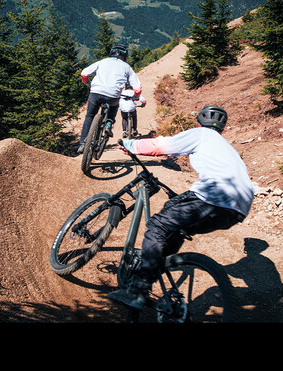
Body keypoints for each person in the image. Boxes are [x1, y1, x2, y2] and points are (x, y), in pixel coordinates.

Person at [108, 105, 255, 310]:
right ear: (223, 129)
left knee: (159, 226)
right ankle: (155, 267)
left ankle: (138, 289)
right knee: (175, 227)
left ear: (198, 123)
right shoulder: (228, 148)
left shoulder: (202, 134)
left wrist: (131, 144)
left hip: (215, 194)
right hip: (239, 207)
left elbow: (164, 145)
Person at [77, 44, 142, 154]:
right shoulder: (127, 67)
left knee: (90, 116)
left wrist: (88, 83)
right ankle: (109, 123)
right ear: (124, 56)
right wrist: (135, 98)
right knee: (114, 105)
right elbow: (137, 87)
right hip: (113, 95)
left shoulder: (102, 62)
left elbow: (84, 73)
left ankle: (83, 143)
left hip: (96, 93)